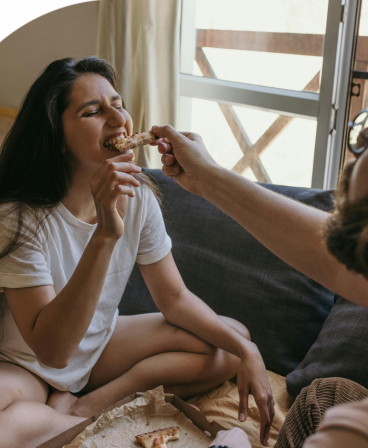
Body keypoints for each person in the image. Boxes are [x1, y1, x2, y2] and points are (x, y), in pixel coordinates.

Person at [0, 57, 275, 448]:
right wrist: (105, 234)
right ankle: (75, 415)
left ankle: (89, 406)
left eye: (118, 104)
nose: (119, 120)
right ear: (56, 137)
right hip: (20, 364)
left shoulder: (139, 196)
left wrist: (248, 350)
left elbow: (175, 298)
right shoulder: (14, 217)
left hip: (98, 346)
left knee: (232, 340)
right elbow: (52, 352)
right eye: (93, 111)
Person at [150, 121, 368, 448]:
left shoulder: (349, 430)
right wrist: (206, 176)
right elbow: (337, 258)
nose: (362, 137)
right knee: (326, 393)